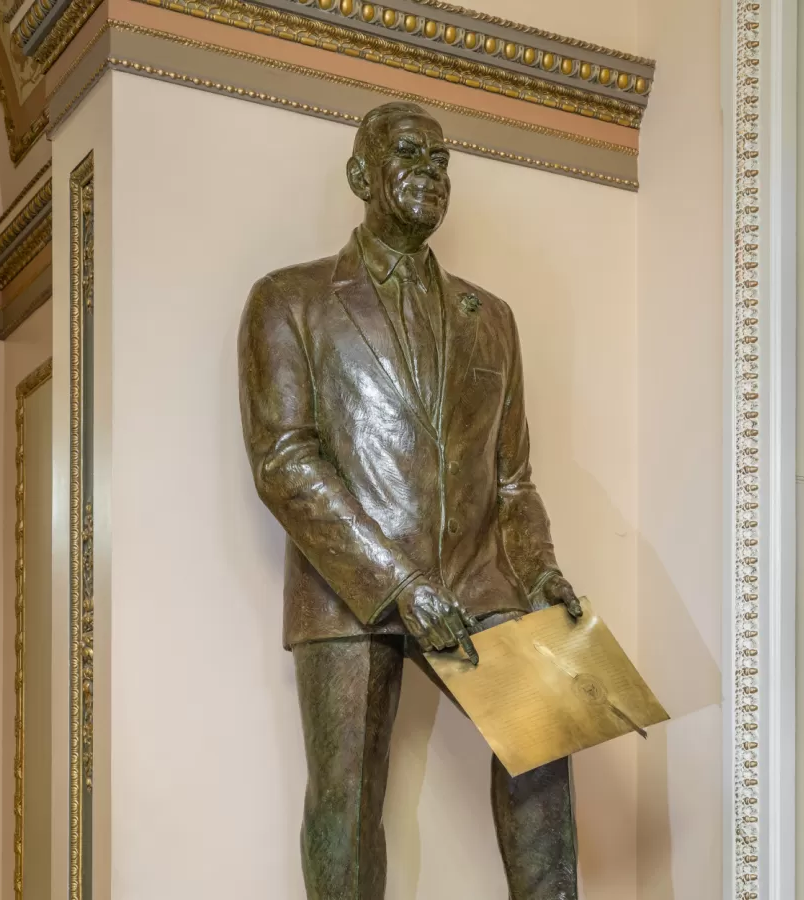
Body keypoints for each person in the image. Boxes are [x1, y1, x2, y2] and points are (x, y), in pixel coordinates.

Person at [238, 101, 582, 900]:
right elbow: (285, 463)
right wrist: (398, 584)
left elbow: (512, 481)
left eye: (441, 161)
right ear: (361, 175)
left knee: (545, 746)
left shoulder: (490, 319)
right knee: (347, 802)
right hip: (347, 587)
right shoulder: (288, 300)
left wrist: (540, 575)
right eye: (408, 155)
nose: (431, 173)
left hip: (477, 579)